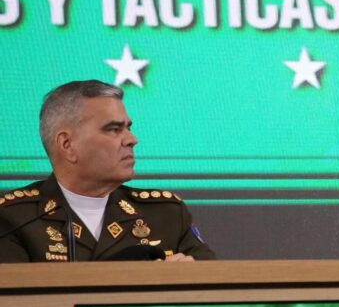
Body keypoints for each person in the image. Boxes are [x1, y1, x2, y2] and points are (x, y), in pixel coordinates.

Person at [0, 80, 215, 262]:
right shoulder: (13, 219)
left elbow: (220, 291)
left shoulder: (166, 214)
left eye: (128, 128)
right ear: (67, 145)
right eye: (113, 129)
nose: (132, 140)